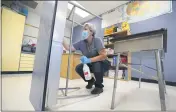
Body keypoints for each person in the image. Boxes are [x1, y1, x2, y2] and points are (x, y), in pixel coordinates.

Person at [63, 23, 110, 94]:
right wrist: (61, 38)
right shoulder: (81, 43)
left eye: (85, 29)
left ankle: (99, 86)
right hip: (91, 64)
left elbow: (103, 56)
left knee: (96, 64)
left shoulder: (97, 40)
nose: (83, 31)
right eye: (83, 30)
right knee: (78, 68)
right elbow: (68, 48)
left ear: (91, 32)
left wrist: (89, 60)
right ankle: (91, 81)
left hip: (103, 63)